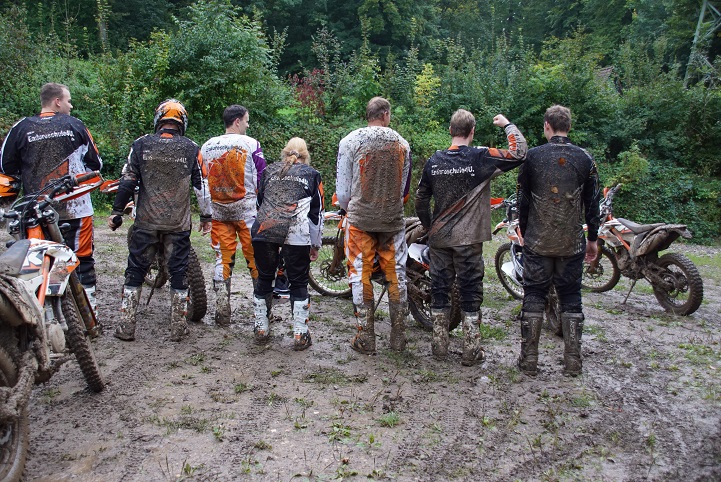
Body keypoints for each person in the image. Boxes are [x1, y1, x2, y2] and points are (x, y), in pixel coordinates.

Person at [415, 109, 527, 366]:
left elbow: (421, 198)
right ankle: (471, 349)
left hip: (440, 237)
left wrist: (428, 226)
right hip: (468, 238)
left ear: (451, 131)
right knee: (470, 290)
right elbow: (519, 152)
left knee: (440, 288)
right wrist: (507, 124)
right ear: (472, 131)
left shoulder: (434, 160)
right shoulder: (480, 156)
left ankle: (439, 347)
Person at [108, 99, 212, 342]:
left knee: (135, 271)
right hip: (177, 223)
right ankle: (178, 327)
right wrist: (206, 216)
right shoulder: (191, 148)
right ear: (182, 123)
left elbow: (127, 180)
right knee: (178, 273)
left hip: (145, 221)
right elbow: (202, 187)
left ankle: (126, 326)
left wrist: (116, 212)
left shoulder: (141, 144)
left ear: (158, 120)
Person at [0, 82, 103, 314]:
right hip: (75, 206)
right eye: (68, 100)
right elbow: (96, 163)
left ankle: (41, 313)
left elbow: (6, 167)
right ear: (57, 101)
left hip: (35, 210)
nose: (71, 105)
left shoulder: (20, 128)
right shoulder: (75, 125)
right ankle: (89, 314)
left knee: (37, 263)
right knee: (82, 259)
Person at [516, 105, 600, 377]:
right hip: (571, 243)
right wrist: (593, 239)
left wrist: (525, 232)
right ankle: (573, 361)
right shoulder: (585, 158)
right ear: (569, 127)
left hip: (538, 242)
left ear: (546, 126)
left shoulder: (532, 158)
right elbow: (593, 203)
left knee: (534, 295)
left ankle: (529, 360)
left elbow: (523, 201)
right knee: (571, 297)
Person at [336, 97, 412, 354]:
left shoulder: (350, 141)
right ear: (386, 114)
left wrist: (351, 207)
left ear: (368, 115)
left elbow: (343, 190)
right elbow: (403, 187)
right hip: (392, 219)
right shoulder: (402, 143)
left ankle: (366, 336)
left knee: (360, 273)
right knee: (396, 274)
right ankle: (398, 337)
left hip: (360, 219)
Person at [251, 137, 323, 350]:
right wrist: (315, 244)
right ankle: (300, 335)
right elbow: (316, 214)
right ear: (306, 155)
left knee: (264, 277)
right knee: (299, 282)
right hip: (296, 231)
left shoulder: (269, 171)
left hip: (264, 228)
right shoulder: (312, 175)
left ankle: (261, 329)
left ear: (284, 153)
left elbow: (259, 202)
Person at [200, 105, 267, 326]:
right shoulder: (251, 144)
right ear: (237, 121)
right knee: (255, 260)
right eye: (246, 120)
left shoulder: (207, 146)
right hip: (247, 211)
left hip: (218, 210)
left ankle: (222, 312)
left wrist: (206, 211)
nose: (248, 125)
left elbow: (202, 181)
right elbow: (262, 177)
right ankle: (262, 314)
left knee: (222, 259)